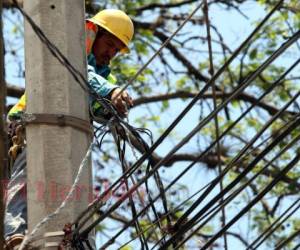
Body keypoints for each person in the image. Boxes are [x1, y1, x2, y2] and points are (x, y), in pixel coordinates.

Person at [4, 9, 134, 249]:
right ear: (93, 34)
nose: (111, 53)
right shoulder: (70, 52)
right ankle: (14, 233)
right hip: (26, 125)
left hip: (62, 132)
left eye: (116, 50)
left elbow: (97, 106)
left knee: (56, 191)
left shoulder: (107, 78)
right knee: (25, 181)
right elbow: (84, 73)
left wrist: (113, 110)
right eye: (109, 44)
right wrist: (109, 92)